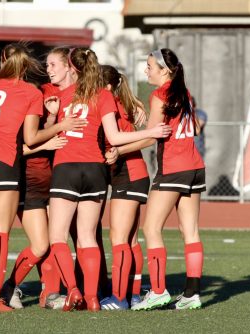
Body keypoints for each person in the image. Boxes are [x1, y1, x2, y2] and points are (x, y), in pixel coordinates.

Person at [0, 43, 87, 312]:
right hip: (4, 164)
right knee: (0, 233)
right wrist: (61, 124)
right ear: (27, 67)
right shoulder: (32, 93)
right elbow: (30, 138)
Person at [46, 47, 171, 312]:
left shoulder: (63, 95)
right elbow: (114, 137)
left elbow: (46, 134)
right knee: (89, 237)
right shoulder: (104, 96)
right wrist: (147, 129)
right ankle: (93, 298)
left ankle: (73, 291)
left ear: (72, 68)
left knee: (58, 236)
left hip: (67, 167)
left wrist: (52, 116)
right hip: (95, 171)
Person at [128, 48, 206, 311]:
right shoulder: (184, 93)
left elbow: (152, 137)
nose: (146, 69)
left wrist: (119, 147)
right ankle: (192, 294)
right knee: (190, 231)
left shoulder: (159, 95)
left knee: (151, 228)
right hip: (195, 166)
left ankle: (159, 291)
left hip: (174, 168)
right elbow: (194, 128)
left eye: (150, 65)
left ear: (165, 71)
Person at [98, 65, 149, 310]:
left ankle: (119, 298)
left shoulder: (110, 102)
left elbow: (118, 137)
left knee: (118, 238)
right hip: (134, 173)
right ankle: (134, 295)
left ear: (106, 86)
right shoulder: (121, 100)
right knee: (130, 240)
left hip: (128, 173)